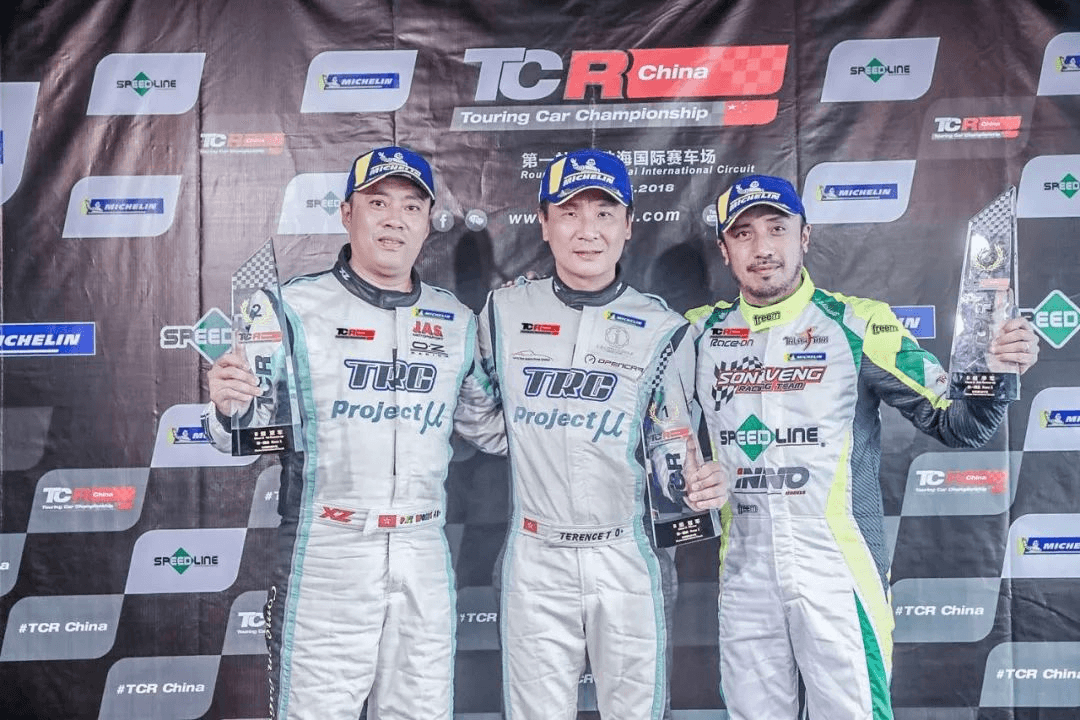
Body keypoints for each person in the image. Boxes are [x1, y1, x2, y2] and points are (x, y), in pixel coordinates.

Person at [686, 174, 1041, 720]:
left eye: (777, 229)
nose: (762, 248)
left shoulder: (859, 324)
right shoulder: (697, 336)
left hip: (839, 572)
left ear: (804, 236)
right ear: (724, 248)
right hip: (744, 573)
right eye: (744, 233)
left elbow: (961, 426)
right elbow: (650, 429)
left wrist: (993, 372)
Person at [201, 146, 505, 720]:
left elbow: (490, 429)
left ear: (428, 222)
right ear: (346, 214)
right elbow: (236, 438)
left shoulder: (457, 322)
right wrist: (225, 408)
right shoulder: (289, 309)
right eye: (378, 203)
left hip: (421, 546)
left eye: (411, 207)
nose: (395, 220)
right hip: (328, 548)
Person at [477, 148, 726, 720]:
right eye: (569, 213)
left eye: (604, 213)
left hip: (628, 553)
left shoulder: (665, 328)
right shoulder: (502, 311)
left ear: (628, 225)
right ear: (544, 223)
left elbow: (680, 448)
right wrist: (529, 437)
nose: (587, 230)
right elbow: (476, 415)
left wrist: (708, 480)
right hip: (535, 553)